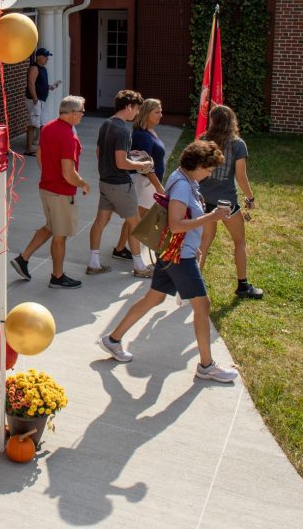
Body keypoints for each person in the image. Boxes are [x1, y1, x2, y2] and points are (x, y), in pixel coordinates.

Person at [97, 140, 238, 383]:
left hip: (173, 253)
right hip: (179, 256)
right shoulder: (183, 186)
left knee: (154, 297)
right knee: (202, 307)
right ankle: (206, 365)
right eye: (209, 169)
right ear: (199, 165)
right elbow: (175, 224)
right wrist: (211, 217)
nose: (210, 174)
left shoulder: (182, 177)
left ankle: (113, 339)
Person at [9, 95, 89, 289]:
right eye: (82, 112)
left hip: (46, 188)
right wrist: (83, 184)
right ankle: (57, 277)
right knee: (60, 236)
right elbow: (69, 173)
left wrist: (48, 174)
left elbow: (39, 153)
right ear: (72, 113)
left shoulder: (49, 127)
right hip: (61, 193)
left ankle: (23, 259)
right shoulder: (68, 136)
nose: (83, 116)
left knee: (51, 226)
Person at [87, 90, 154, 277]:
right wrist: (142, 164)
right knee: (135, 224)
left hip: (105, 181)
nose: (137, 113)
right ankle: (140, 267)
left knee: (100, 222)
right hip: (120, 184)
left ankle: (94, 263)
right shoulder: (123, 130)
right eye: (137, 109)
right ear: (128, 106)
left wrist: (128, 157)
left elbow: (100, 153)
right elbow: (121, 163)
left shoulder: (106, 124)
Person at [199, 105, 263, 299]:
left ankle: (194, 282)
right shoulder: (237, 144)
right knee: (240, 242)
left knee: (205, 241)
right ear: (231, 121)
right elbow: (241, 177)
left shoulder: (203, 140)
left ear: (214, 122)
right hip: (225, 202)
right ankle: (243, 286)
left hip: (203, 199)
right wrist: (250, 198)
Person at [114, 98, 166, 259]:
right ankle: (133, 255)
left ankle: (120, 248)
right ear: (146, 113)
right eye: (156, 112)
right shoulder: (142, 136)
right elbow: (144, 166)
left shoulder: (150, 131)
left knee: (133, 218)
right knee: (136, 220)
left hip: (148, 182)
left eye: (160, 111)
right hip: (144, 182)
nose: (160, 115)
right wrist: (158, 186)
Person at [23, 47, 60, 156]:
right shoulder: (34, 68)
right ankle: (28, 149)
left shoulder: (43, 68)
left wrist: (49, 87)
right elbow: (31, 83)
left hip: (42, 100)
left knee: (43, 124)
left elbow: (40, 83)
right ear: (39, 57)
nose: (47, 59)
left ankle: (42, 147)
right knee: (33, 123)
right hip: (35, 100)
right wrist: (35, 99)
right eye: (45, 56)